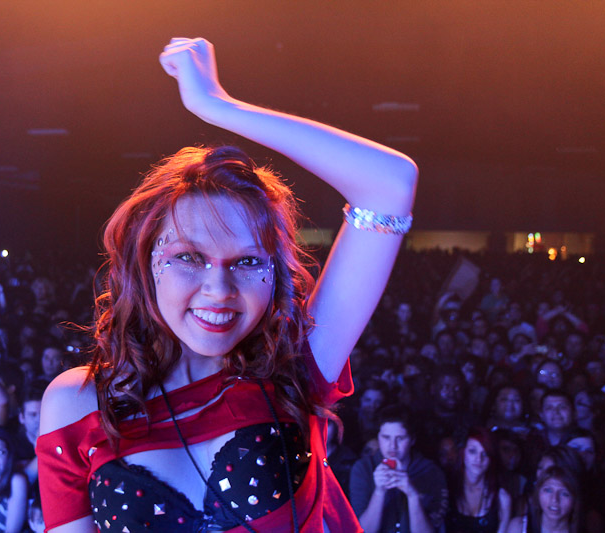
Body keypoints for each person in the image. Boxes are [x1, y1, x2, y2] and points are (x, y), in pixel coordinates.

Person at [37, 37, 417, 533]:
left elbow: (390, 183)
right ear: (146, 263)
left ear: (275, 273)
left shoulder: (297, 366)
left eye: (248, 261)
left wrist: (217, 106)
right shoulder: (76, 404)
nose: (219, 289)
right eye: (189, 257)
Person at [349, 405, 448, 533]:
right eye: (386, 437)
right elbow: (364, 530)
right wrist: (379, 492)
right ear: (378, 437)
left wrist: (412, 496)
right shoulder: (363, 469)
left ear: (412, 439)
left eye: (400, 438)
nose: (392, 446)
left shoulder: (431, 472)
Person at [445, 427, 512, 533]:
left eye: (485, 453)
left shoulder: (502, 498)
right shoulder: (447, 489)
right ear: (463, 453)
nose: (479, 459)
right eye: (472, 451)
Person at [507, 466, 582, 533]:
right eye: (548, 490)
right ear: (538, 493)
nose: (554, 499)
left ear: (574, 500)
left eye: (564, 494)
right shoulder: (518, 527)